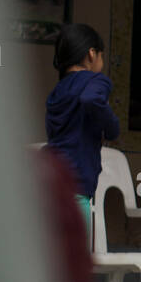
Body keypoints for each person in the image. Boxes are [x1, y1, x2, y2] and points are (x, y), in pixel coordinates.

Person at [46, 23, 119, 227]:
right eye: (102, 56)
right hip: (76, 187)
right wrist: (113, 128)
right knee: (75, 257)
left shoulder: (58, 90)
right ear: (91, 54)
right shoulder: (95, 80)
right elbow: (90, 99)